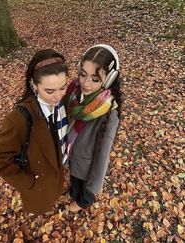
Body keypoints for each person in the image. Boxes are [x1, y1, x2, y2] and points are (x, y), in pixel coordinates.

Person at [0, 49, 69, 215]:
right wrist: (29, 182)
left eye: (62, 87)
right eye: (49, 91)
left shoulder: (63, 102)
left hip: (58, 175)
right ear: (34, 84)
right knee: (43, 204)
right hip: (39, 184)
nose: (58, 97)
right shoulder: (18, 119)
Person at [64, 44, 121, 212]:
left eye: (95, 79)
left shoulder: (109, 115)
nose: (85, 83)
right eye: (83, 74)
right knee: (73, 184)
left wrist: (85, 199)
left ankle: (79, 198)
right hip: (72, 160)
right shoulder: (74, 93)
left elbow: (102, 159)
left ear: (109, 79)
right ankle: (73, 192)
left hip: (85, 170)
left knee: (79, 186)